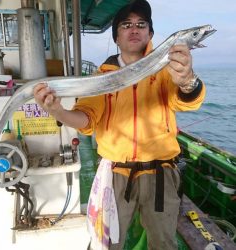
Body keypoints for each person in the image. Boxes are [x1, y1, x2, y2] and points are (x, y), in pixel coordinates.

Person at [34, 0, 206, 249]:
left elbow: (186, 101)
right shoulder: (101, 77)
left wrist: (188, 80)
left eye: (141, 24)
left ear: (150, 34)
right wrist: (57, 110)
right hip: (115, 175)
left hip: (161, 175)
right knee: (106, 243)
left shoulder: (167, 71)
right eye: (126, 24)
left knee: (164, 243)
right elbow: (86, 120)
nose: (134, 29)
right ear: (116, 36)